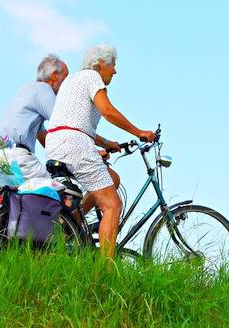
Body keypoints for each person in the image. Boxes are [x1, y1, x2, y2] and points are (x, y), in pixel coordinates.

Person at [45, 44, 156, 259]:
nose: (114, 71)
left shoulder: (72, 80)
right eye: (113, 65)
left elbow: (74, 122)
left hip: (57, 143)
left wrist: (105, 143)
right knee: (113, 205)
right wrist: (139, 131)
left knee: (112, 178)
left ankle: (74, 222)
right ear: (100, 64)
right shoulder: (92, 76)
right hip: (74, 144)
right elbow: (107, 111)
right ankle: (104, 273)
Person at [0, 54, 68, 180]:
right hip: (18, 158)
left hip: (0, 157)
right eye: (66, 76)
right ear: (54, 75)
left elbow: (44, 138)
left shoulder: (27, 90)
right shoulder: (44, 89)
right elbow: (65, 123)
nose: (67, 83)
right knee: (59, 191)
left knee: (22, 198)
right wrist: (90, 151)